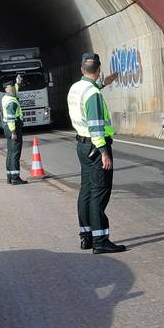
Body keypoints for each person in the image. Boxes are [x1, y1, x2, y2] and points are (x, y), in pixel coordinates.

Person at [67, 52, 125, 253]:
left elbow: (88, 92)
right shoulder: (93, 94)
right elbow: (96, 126)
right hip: (95, 145)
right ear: (98, 70)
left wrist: (104, 84)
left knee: (86, 190)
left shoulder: (77, 88)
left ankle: (86, 236)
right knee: (99, 192)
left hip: (82, 146)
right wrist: (104, 151)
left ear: (82, 69)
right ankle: (100, 240)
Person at [2, 76, 24, 185]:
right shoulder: (11, 101)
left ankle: (10, 176)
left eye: (13, 87)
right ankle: (15, 177)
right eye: (11, 87)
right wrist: (14, 132)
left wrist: (17, 83)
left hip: (7, 128)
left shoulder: (7, 97)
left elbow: (15, 91)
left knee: (10, 153)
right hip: (13, 128)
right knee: (15, 153)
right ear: (6, 89)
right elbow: (11, 117)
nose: (13, 89)